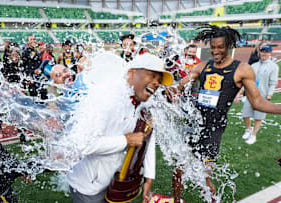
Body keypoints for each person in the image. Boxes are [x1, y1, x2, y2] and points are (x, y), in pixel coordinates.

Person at [173, 25, 281, 202]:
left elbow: (258, 102)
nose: (215, 51)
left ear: (229, 46)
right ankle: (176, 200)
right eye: (212, 47)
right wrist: (169, 90)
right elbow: (179, 86)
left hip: (214, 130)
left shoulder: (242, 69)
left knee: (203, 177)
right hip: (193, 125)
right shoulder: (203, 66)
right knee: (178, 169)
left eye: (220, 47)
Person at [66, 53, 174, 203]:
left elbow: (147, 138)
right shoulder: (105, 97)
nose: (156, 83)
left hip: (118, 184)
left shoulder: (144, 103)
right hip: (88, 187)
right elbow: (84, 144)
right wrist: (126, 140)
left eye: (159, 80)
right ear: (131, 73)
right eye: (152, 75)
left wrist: (149, 178)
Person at [237, 44, 279, 144]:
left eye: (266, 52)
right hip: (250, 95)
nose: (263, 54)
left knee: (258, 117)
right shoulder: (254, 65)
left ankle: (254, 135)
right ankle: (248, 129)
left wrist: (268, 96)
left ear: (270, 53)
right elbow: (247, 80)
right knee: (245, 114)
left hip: (262, 96)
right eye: (262, 51)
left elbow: (273, 82)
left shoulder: (273, 67)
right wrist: (241, 91)